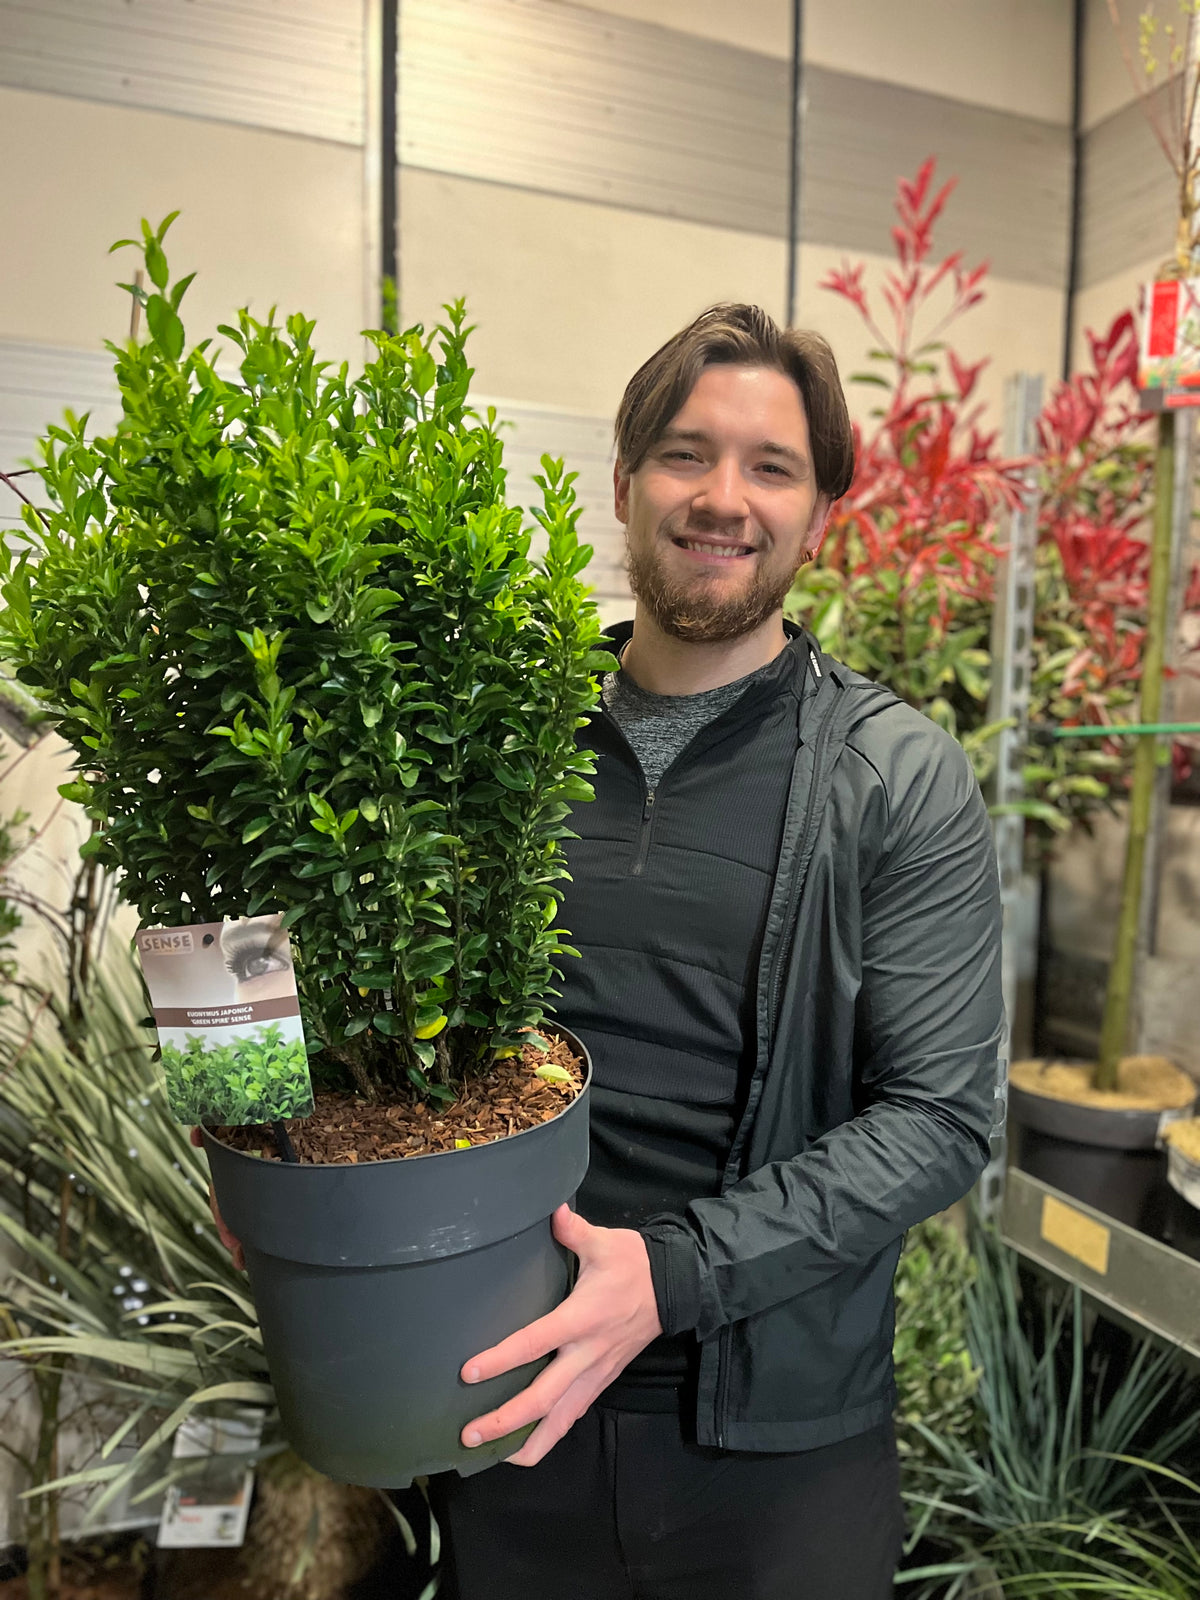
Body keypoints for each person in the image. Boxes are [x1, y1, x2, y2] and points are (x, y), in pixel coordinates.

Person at [204, 303, 1004, 1599]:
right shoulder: (486, 742)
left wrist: (670, 1277)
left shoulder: (892, 777)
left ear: (821, 513)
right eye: (687, 454)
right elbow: (238, 903)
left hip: (775, 1451)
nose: (724, 498)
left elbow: (940, 1119)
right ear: (624, 483)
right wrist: (238, 1140)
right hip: (497, 1404)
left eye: (773, 466)